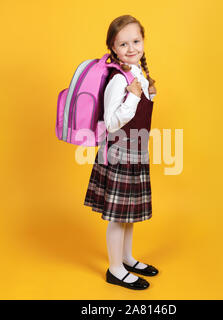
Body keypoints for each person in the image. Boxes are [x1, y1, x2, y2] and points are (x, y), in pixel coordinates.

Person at [83, 15, 159, 290]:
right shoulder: (118, 79)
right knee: (117, 216)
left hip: (135, 150)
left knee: (130, 213)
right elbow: (112, 122)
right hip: (119, 153)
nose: (131, 48)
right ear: (113, 48)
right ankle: (115, 269)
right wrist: (136, 96)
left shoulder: (137, 73)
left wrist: (148, 93)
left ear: (143, 41)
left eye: (135, 41)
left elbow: (139, 112)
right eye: (123, 43)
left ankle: (126, 258)